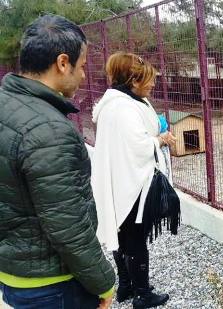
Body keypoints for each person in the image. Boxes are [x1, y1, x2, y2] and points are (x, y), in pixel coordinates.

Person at [0, 15, 115, 309]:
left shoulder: (6, 105)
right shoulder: (48, 130)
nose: (83, 76)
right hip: (53, 284)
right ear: (62, 63)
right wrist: (104, 283)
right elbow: (68, 226)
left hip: (14, 272)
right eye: (81, 66)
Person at [91, 52, 175, 309]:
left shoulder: (115, 103)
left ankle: (126, 285)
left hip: (119, 180)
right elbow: (137, 145)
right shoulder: (123, 107)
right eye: (148, 80)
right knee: (136, 237)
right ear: (132, 80)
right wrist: (160, 140)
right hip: (132, 184)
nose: (152, 85)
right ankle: (142, 294)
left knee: (122, 235)